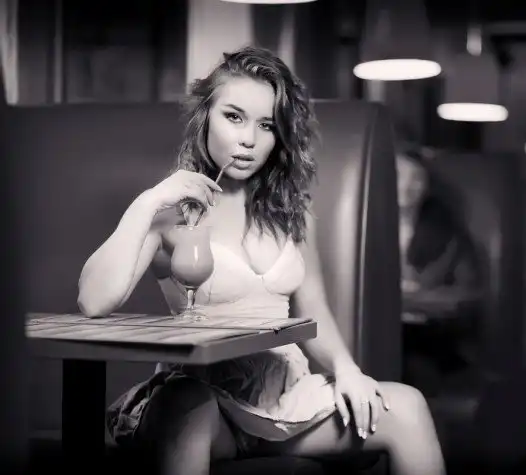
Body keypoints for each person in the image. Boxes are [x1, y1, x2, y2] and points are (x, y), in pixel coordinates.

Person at [77, 46, 445, 475]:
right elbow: (93, 301)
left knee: (408, 407)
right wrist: (148, 202)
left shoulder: (292, 213)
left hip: (285, 398)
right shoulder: (171, 216)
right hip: (204, 402)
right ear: (205, 117)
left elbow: (314, 312)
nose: (249, 139)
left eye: (266, 125)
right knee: (188, 404)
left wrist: (347, 370)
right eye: (233, 117)